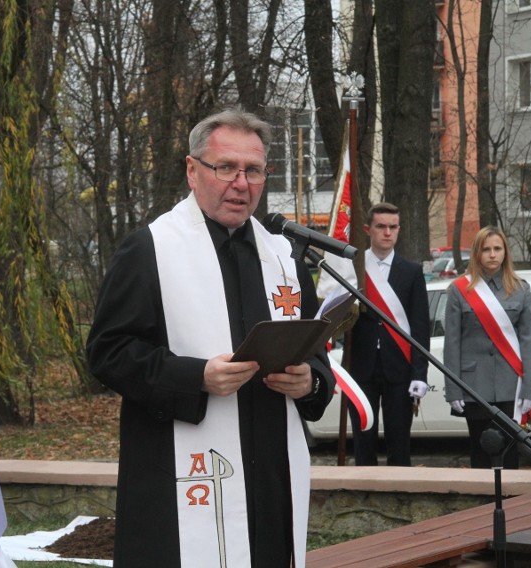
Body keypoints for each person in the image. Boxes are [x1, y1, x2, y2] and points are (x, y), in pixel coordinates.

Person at [86, 108, 335, 568]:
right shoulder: (150, 250)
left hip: (272, 473)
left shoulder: (282, 256)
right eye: (226, 168)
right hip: (182, 472)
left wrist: (311, 382)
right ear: (192, 170)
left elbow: (314, 352)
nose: (241, 183)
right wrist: (196, 376)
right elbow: (108, 353)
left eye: (254, 170)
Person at [443, 226, 531, 469]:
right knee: (481, 448)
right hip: (473, 385)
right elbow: (452, 343)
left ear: (505, 252)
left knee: (509, 450)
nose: (492, 254)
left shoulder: (521, 288)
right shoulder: (459, 290)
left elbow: (528, 341)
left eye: (497, 248)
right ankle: (484, 504)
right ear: (477, 254)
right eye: (486, 249)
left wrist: (530, 388)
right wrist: (453, 389)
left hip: (511, 384)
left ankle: (511, 504)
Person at [347, 202, 430, 466]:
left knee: (399, 440)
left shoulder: (412, 272)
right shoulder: (353, 267)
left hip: (400, 367)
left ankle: (401, 493)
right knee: (363, 440)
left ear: (399, 230)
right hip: (361, 366)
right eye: (381, 226)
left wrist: (420, 373)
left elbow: (419, 327)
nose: (387, 233)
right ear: (368, 229)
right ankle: (364, 495)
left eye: (393, 227)